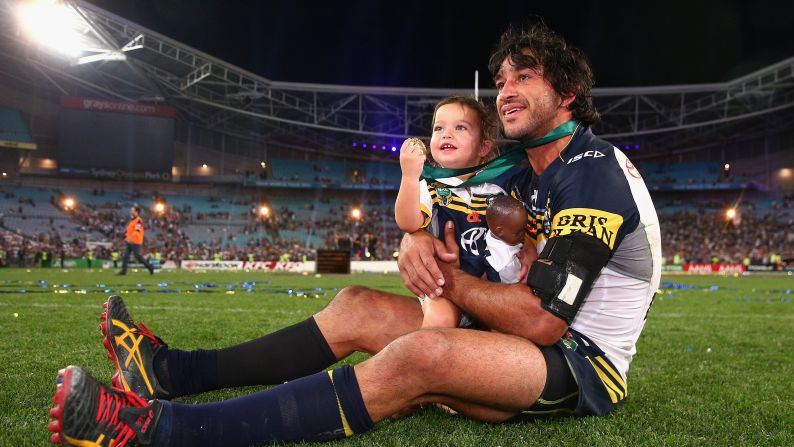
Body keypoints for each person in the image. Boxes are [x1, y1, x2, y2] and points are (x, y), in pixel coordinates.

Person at [47, 22, 661, 447]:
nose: (504, 91)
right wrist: (414, 240)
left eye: (523, 77)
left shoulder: (592, 172)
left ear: (568, 93)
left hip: (579, 364)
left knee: (424, 353)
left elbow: (540, 321)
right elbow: (445, 225)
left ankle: (158, 431)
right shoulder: (525, 172)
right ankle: (171, 373)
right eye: (500, 80)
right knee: (357, 305)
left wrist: (442, 275)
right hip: (512, 334)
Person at [395, 95, 517, 328]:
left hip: (490, 285)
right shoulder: (430, 186)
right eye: (438, 128)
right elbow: (409, 223)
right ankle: (424, 361)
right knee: (440, 319)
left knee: (510, 330)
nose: (446, 134)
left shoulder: (496, 191)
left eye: (460, 127)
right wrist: (409, 176)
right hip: (444, 283)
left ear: (484, 147)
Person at [482, 195, 527, 284]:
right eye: (518, 232)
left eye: (525, 229)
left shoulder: (492, 233)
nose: (524, 235)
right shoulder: (508, 263)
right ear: (499, 231)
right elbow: (518, 284)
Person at [118, 206, 154, 275]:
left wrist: (129, 237)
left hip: (136, 242)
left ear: (136, 212)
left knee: (138, 257)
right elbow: (129, 230)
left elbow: (137, 231)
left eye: (132, 210)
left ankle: (150, 267)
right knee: (125, 256)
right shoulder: (132, 220)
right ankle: (123, 271)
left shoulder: (139, 220)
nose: (131, 211)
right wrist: (126, 236)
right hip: (129, 242)